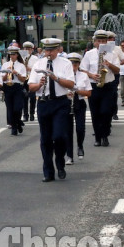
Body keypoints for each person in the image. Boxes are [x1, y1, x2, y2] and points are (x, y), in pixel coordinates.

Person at [28, 38, 75, 182]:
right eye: (46, 50)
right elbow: (30, 87)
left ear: (58, 49)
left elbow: (71, 84)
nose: (48, 53)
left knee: (60, 136)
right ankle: (48, 172)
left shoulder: (65, 63)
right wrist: (39, 84)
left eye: (51, 50)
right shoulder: (38, 64)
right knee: (46, 139)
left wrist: (55, 78)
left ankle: (60, 163)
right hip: (44, 102)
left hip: (60, 103)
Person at [80, 30, 121, 147]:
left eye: (103, 41)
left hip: (108, 85)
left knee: (106, 111)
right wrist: (92, 75)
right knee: (95, 112)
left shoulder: (112, 53)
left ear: (107, 42)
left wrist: (109, 64)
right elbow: (82, 69)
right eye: (99, 41)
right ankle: (98, 137)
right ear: (95, 42)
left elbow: (117, 70)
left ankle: (105, 134)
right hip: (93, 85)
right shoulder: (89, 54)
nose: (101, 43)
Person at [65, 53, 92, 164]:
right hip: (67, 103)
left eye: (76, 63)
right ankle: (69, 155)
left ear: (79, 64)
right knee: (68, 130)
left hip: (79, 102)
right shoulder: (63, 76)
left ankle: (80, 145)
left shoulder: (83, 76)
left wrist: (77, 90)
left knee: (80, 128)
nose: (73, 65)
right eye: (71, 63)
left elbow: (89, 93)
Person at [1, 46, 27, 136]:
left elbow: (23, 79)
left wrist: (16, 72)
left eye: (14, 54)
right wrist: (6, 73)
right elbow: (2, 79)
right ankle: (15, 127)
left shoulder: (21, 65)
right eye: (10, 54)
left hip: (17, 87)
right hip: (7, 87)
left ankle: (18, 122)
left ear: (17, 55)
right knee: (10, 109)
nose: (12, 56)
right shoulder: (5, 64)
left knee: (17, 108)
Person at [107, 31, 124, 121]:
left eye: (112, 38)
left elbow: (123, 60)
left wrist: (116, 64)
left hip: (114, 73)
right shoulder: (102, 48)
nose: (111, 40)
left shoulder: (117, 49)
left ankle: (114, 113)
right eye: (109, 38)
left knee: (114, 93)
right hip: (104, 73)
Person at [22, 41, 37, 122]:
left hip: (32, 78)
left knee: (32, 97)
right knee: (24, 97)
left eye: (28, 49)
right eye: (25, 48)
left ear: (32, 50)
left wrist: (29, 69)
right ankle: (25, 115)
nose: (27, 50)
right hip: (23, 78)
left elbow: (37, 70)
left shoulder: (35, 59)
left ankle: (31, 114)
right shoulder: (21, 57)